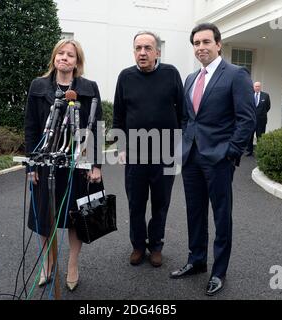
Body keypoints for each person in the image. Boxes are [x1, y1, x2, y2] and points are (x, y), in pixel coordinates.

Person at [169, 23, 256, 297]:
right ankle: (196, 261)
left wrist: (230, 153)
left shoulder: (235, 74)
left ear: (218, 44)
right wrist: (185, 143)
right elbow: (187, 117)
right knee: (194, 212)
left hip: (219, 159)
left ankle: (219, 271)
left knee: (221, 215)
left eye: (206, 41)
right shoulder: (191, 78)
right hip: (192, 157)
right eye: (196, 43)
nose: (201, 47)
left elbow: (247, 119)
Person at [24, 39, 102, 292]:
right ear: (54, 58)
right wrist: (31, 166)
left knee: (76, 216)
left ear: (77, 62)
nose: (64, 58)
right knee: (46, 215)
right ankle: (48, 263)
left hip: (77, 164)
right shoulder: (38, 86)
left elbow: (97, 130)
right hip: (46, 163)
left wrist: (96, 165)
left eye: (70, 55)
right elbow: (31, 128)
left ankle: (72, 265)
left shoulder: (89, 88)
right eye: (61, 53)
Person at [112, 31, 183, 268]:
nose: (142, 53)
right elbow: (118, 116)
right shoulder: (125, 77)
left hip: (165, 152)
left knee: (161, 203)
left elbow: (183, 113)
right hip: (135, 153)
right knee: (136, 204)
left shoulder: (171, 74)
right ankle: (138, 246)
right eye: (138, 48)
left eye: (147, 48)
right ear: (134, 51)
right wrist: (121, 146)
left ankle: (156, 246)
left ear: (157, 52)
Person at [246, 82, 271, 156]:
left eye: (258, 86)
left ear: (260, 87)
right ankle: (249, 151)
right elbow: (247, 106)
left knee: (260, 136)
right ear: (253, 87)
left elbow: (268, 107)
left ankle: (259, 151)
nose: (257, 87)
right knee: (250, 136)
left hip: (261, 120)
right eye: (256, 86)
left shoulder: (265, 96)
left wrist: (261, 114)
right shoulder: (249, 95)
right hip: (251, 120)